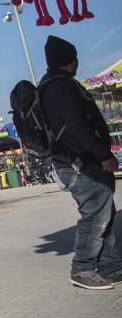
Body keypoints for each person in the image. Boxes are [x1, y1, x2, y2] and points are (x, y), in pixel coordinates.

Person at [38, 36, 121, 291]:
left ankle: (110, 266)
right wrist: (103, 155)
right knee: (95, 216)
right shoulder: (61, 86)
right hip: (80, 163)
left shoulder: (48, 86)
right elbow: (76, 126)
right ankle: (83, 268)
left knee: (102, 213)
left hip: (76, 161)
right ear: (71, 60)